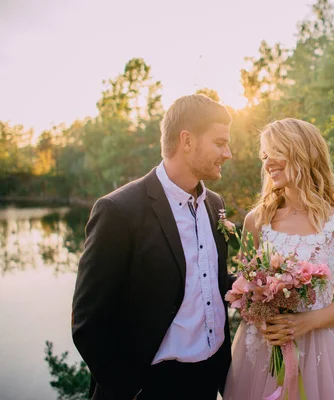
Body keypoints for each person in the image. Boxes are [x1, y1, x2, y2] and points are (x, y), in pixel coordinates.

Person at [72, 94, 234, 400]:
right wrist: (127, 386)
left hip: (208, 377)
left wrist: (254, 287)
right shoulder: (118, 211)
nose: (228, 153)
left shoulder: (215, 204)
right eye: (219, 142)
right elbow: (87, 320)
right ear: (187, 141)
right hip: (150, 384)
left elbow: (204, 278)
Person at [223, 118, 334, 399]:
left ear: (303, 152)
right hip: (262, 347)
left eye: (276, 152)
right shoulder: (256, 221)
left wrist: (304, 322)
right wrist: (263, 320)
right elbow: (242, 291)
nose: (268, 163)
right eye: (265, 156)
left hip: (318, 349)